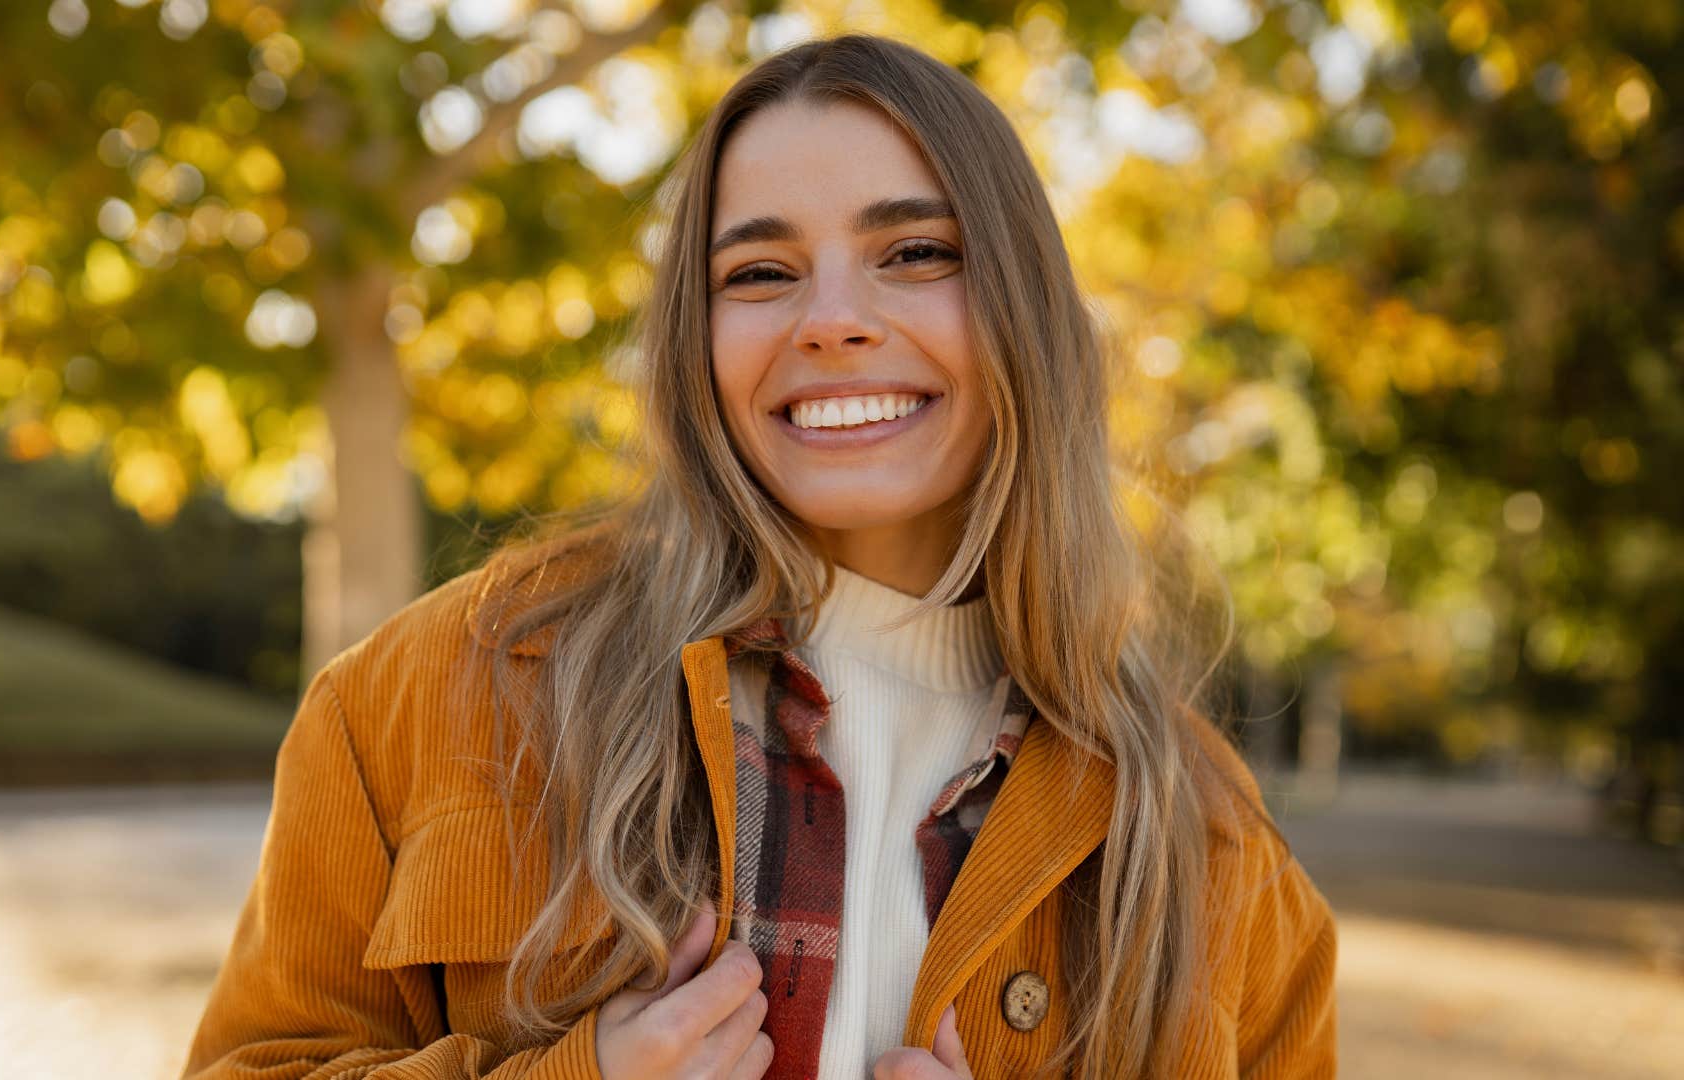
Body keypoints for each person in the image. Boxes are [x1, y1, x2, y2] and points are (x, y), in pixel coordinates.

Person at [180, 32, 1337, 1080]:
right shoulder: (425, 695)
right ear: (698, 343)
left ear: (1026, 309)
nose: (830, 319)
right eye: (760, 274)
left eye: (917, 252)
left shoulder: (1212, 841)